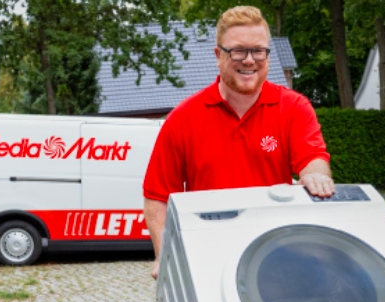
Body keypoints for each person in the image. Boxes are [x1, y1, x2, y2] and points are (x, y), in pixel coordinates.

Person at [142, 6, 335, 279]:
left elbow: (312, 159)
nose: (249, 60)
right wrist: (164, 256)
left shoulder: (293, 107)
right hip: (208, 256)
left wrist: (316, 177)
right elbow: (158, 195)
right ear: (218, 55)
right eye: (238, 51)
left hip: (275, 255)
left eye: (258, 50)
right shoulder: (183, 119)